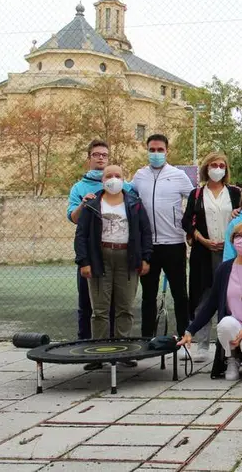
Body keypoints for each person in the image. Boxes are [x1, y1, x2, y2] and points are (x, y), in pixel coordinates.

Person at [178, 222, 242, 380]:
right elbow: (211, 304)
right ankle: (232, 358)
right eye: (238, 236)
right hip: (234, 325)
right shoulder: (224, 269)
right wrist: (190, 330)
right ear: (232, 241)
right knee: (225, 323)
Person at [75, 165, 152, 370]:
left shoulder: (134, 203)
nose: (113, 179)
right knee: (99, 309)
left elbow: (145, 232)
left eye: (118, 176)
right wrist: (84, 261)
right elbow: (81, 235)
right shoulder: (92, 204)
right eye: (109, 176)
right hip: (100, 258)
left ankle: (123, 351)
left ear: (124, 179)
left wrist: (145, 258)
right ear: (102, 180)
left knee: (125, 307)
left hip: (127, 258)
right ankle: (98, 353)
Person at [66, 140, 133, 340]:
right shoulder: (79, 188)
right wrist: (84, 206)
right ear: (89, 158)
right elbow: (74, 218)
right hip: (93, 253)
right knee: (88, 304)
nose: (101, 157)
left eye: (104, 154)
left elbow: (137, 210)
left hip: (120, 255)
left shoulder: (125, 187)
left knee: (120, 304)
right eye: (96, 154)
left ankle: (119, 346)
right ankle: (87, 345)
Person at [181, 152, 242, 363]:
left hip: (230, 252)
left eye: (221, 165)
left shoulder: (235, 193)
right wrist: (202, 239)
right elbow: (188, 222)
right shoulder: (196, 194)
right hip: (202, 252)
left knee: (230, 296)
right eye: (213, 165)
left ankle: (229, 346)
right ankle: (202, 345)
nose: (217, 168)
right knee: (202, 298)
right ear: (206, 168)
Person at [133, 134, 193, 340]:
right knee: (148, 296)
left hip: (174, 244)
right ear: (147, 150)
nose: (156, 153)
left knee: (180, 295)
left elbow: (195, 201)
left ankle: (184, 338)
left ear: (167, 151)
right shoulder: (139, 176)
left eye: (160, 150)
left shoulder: (178, 176)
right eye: (152, 150)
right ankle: (146, 340)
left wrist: (189, 228)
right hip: (148, 247)